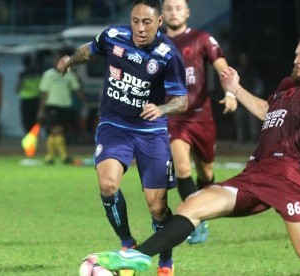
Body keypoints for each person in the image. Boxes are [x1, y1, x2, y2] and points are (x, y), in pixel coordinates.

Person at [93, 29, 300, 276]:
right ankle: (139, 256)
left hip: (284, 178)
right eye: (297, 52)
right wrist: (235, 88)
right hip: (255, 172)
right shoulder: (287, 85)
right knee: (193, 204)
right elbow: (265, 110)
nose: (297, 59)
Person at [56, 1, 188, 275]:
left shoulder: (167, 55)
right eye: (135, 21)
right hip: (114, 125)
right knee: (107, 184)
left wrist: (162, 108)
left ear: (159, 22)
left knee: (157, 206)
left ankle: (165, 261)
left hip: (151, 132)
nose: (140, 28)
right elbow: (89, 51)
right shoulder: (113, 37)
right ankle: (128, 245)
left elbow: (182, 101)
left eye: (147, 22)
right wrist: (70, 60)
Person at [161, 0, 237, 244]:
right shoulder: (156, 43)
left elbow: (223, 68)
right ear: (162, 13)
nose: (174, 12)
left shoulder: (202, 38)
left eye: (178, 7)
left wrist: (231, 93)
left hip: (202, 116)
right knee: (182, 169)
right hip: (174, 116)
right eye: (169, 8)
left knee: (206, 171)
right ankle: (197, 222)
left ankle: (203, 209)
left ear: (187, 12)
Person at [37, 51, 85, 164]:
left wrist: (84, 101)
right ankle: (64, 157)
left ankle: (49, 157)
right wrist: (41, 109)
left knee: (58, 132)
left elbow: (77, 89)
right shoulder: (48, 75)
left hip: (66, 106)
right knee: (56, 130)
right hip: (52, 105)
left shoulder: (69, 74)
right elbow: (44, 93)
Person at [233, 52, 264, 143]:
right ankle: (241, 140)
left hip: (251, 101)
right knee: (239, 120)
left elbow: (259, 85)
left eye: (245, 59)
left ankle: (253, 140)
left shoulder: (253, 72)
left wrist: (256, 96)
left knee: (253, 122)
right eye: (242, 59)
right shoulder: (237, 72)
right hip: (240, 102)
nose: (244, 61)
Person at [17, 54, 42, 134]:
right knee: (35, 120)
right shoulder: (39, 72)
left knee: (26, 121)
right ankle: (34, 136)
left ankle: (28, 137)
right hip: (37, 99)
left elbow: (17, 88)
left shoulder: (23, 74)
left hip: (26, 99)